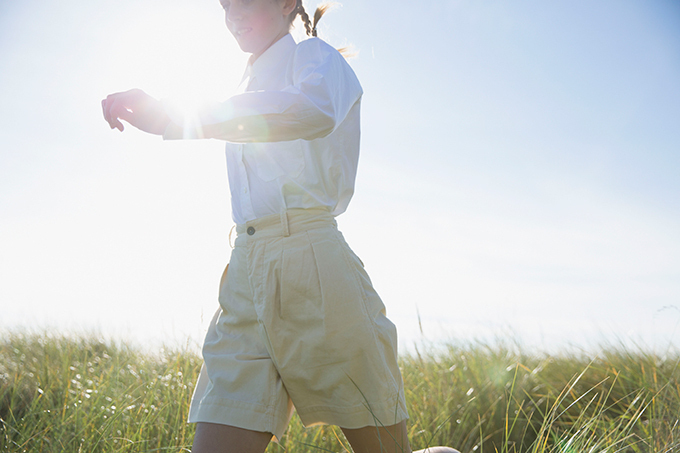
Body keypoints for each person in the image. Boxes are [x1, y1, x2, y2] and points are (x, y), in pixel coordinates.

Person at [102, 1, 459, 452]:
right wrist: (176, 118)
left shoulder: (314, 56)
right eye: (225, 2)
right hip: (245, 273)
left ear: (287, 2)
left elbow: (314, 110)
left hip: (314, 267)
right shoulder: (240, 86)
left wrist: (181, 117)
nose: (232, 12)